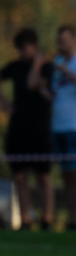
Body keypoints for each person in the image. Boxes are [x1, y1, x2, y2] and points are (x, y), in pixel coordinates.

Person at [0, 28, 54, 230]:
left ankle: (47, 219)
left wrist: (36, 64)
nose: (21, 52)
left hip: (40, 126)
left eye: (24, 48)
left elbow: (32, 84)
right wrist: (3, 102)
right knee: (20, 174)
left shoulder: (47, 68)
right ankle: (26, 219)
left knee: (43, 175)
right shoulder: (16, 66)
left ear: (34, 46)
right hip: (19, 126)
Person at [38, 25, 76, 230]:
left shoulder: (70, 64)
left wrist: (66, 71)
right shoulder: (59, 63)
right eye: (58, 41)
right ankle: (72, 220)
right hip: (58, 127)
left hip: (74, 127)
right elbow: (55, 93)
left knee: (75, 176)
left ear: (73, 40)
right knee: (67, 177)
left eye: (63, 40)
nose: (60, 45)